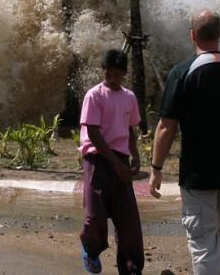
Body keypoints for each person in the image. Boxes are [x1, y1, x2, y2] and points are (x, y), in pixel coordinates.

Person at [149, 10, 220, 275]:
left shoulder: (182, 72)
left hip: (198, 174)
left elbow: (166, 127)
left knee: (202, 240)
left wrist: (156, 168)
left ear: (192, 36)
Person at [78, 49, 144, 275]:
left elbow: (129, 128)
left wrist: (134, 154)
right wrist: (117, 165)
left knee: (128, 221)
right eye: (109, 74)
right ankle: (91, 249)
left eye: (117, 74)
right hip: (97, 159)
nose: (113, 78)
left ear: (124, 74)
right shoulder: (94, 96)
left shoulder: (129, 97)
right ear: (103, 71)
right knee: (95, 214)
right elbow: (94, 134)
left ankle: (131, 268)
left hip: (121, 158)